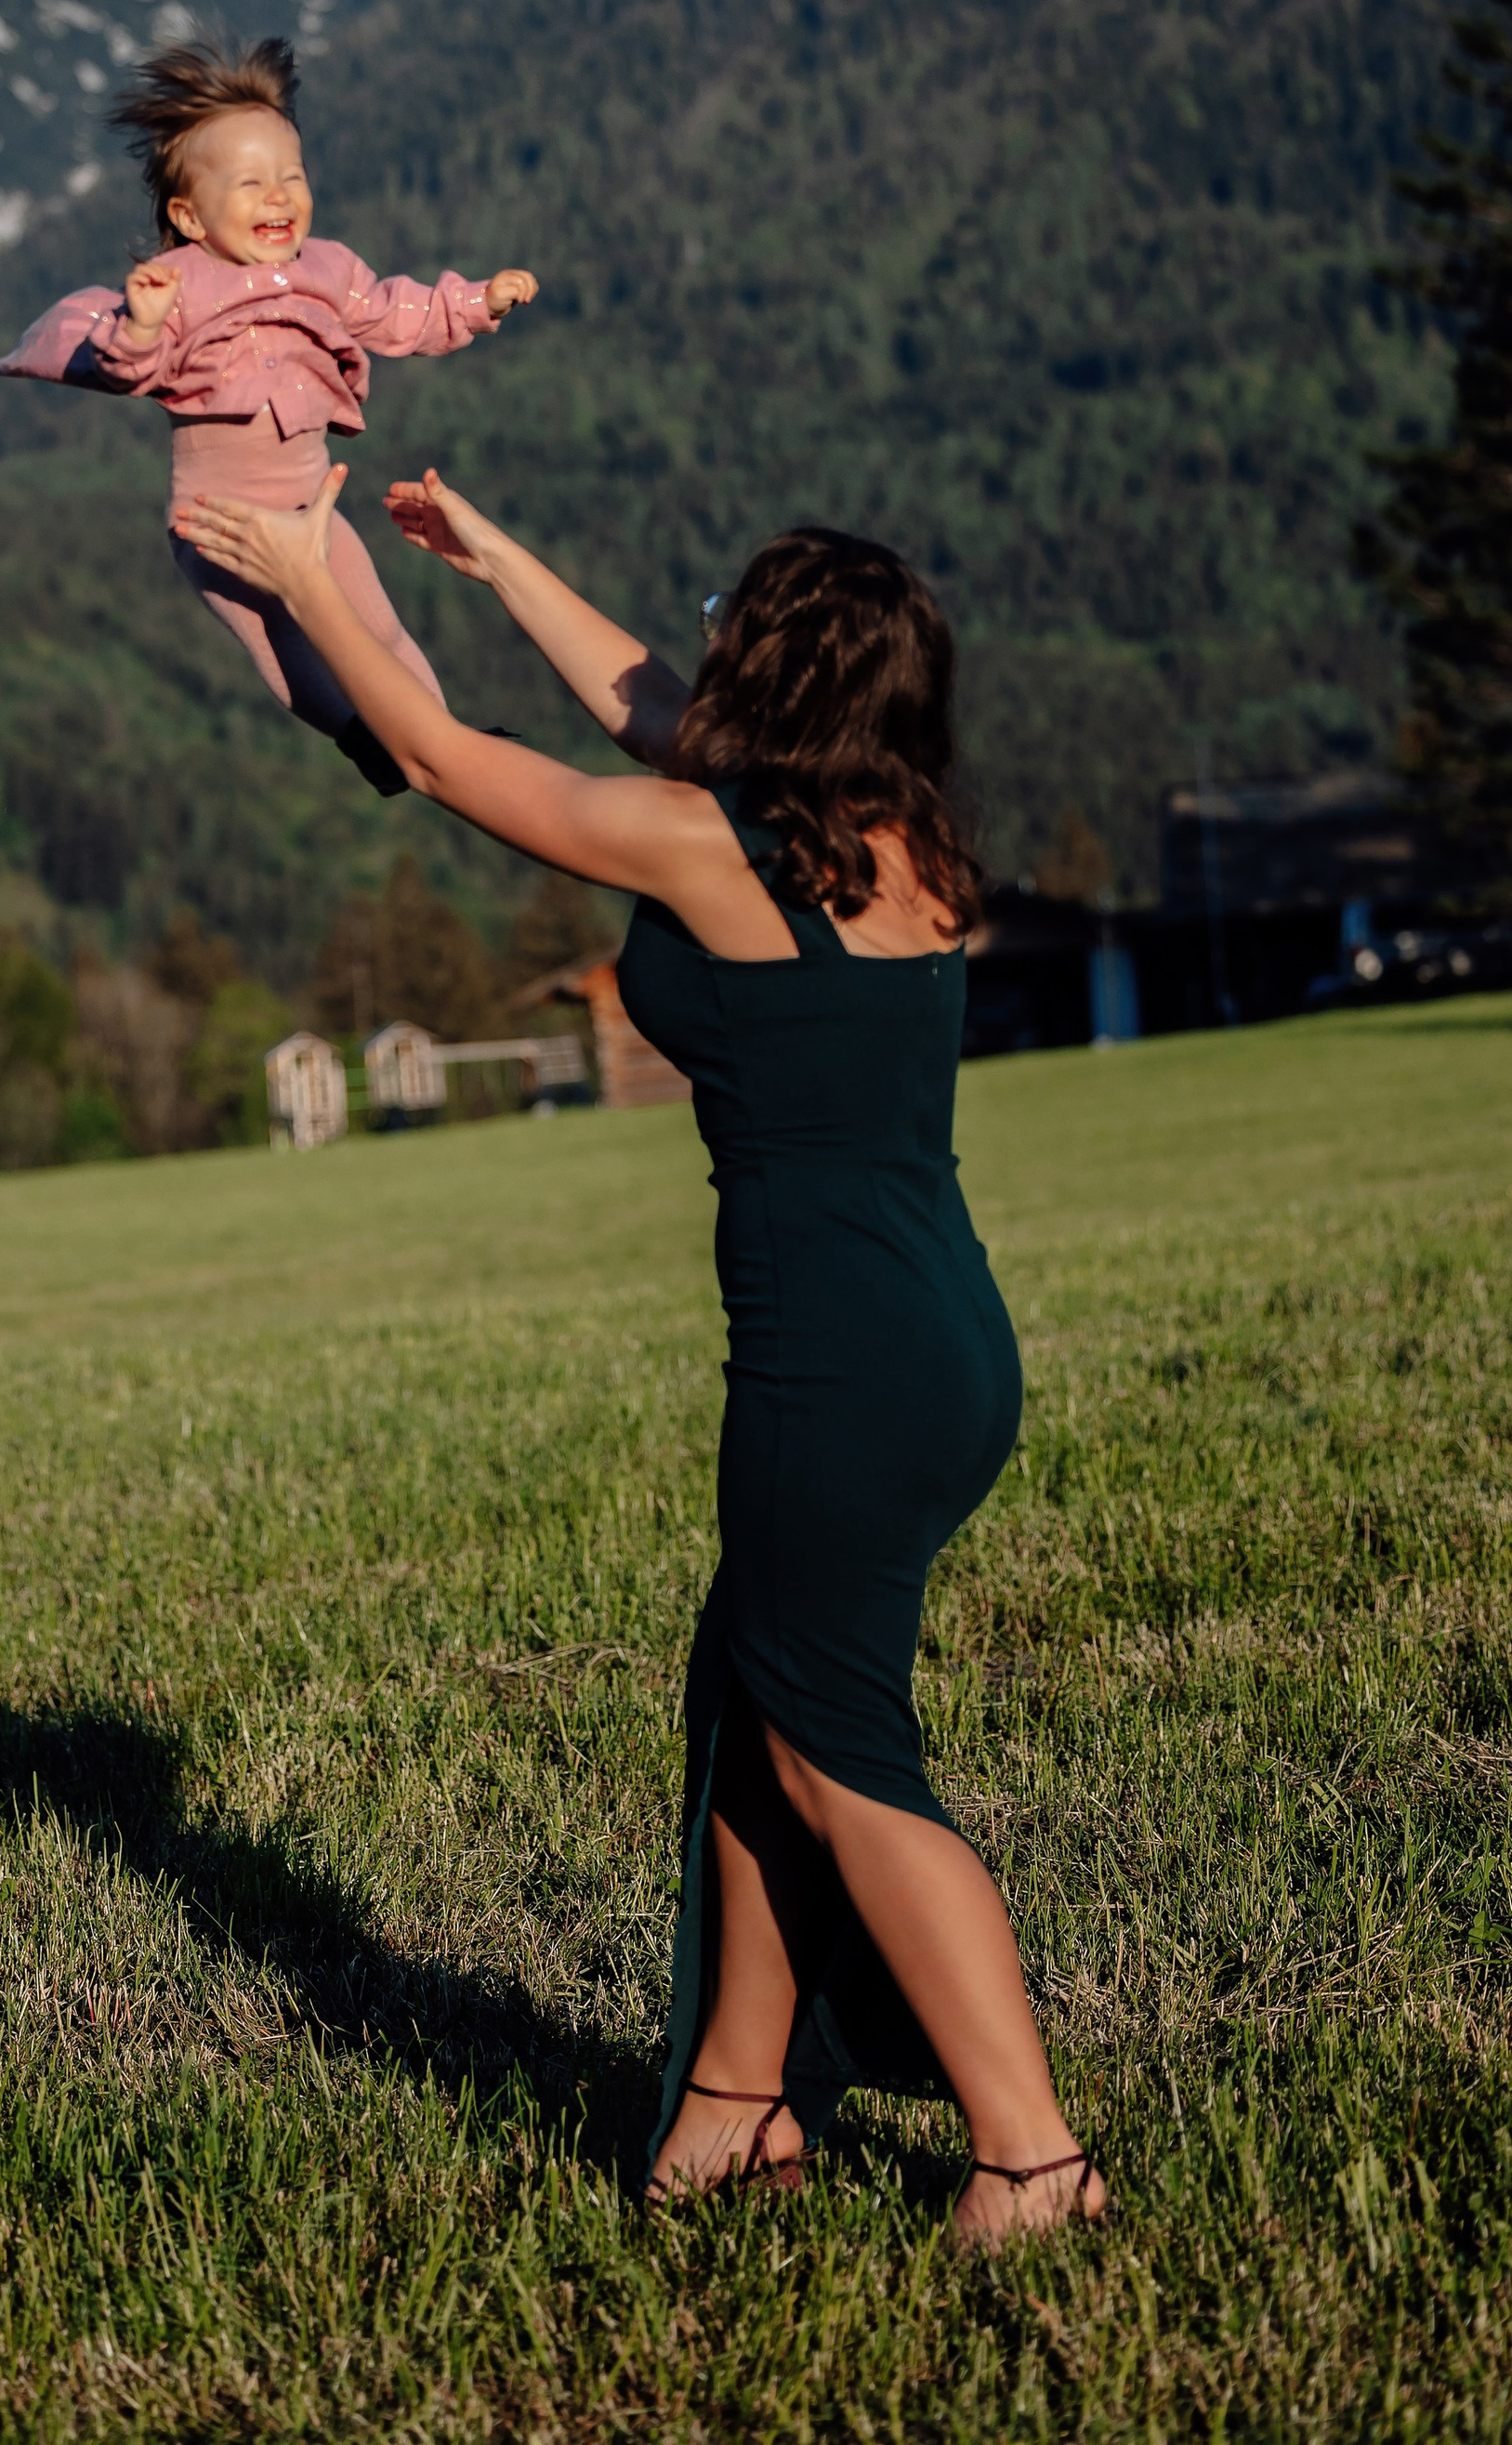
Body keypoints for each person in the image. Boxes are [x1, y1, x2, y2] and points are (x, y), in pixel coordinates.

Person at [168, 459, 1105, 2245]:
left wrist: (310, 576)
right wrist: (496, 558)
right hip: (942, 1342)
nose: (699, 662)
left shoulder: (717, 846)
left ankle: (1031, 2152)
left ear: (779, 686)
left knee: (841, 1756)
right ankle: (739, 2106)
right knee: (762, 1707)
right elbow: (651, 709)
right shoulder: (893, 847)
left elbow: (454, 768)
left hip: (835, 1368)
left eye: (725, 638)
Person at [0, 35, 537, 792]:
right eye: (250, 184)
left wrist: (477, 301)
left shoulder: (327, 271)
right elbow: (128, 368)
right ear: (188, 214)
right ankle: (362, 739)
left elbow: (395, 312)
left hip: (313, 506)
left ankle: (443, 736)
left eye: (292, 176)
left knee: (376, 626)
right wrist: (143, 324)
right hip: (218, 521)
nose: (278, 197)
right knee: (282, 643)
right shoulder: (174, 284)